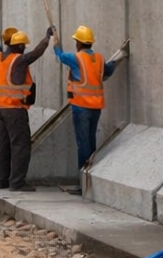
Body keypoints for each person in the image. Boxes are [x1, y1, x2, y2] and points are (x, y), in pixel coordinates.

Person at [54, 25, 128, 175]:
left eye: (76, 41)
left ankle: (83, 177)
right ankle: (90, 173)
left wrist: (55, 43)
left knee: (83, 142)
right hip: (96, 107)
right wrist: (120, 55)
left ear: (79, 43)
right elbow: (108, 70)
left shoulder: (75, 58)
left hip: (81, 107)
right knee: (90, 139)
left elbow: (60, 56)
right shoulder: (99, 58)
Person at [0, 26, 53, 191]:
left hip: (1, 109)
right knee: (20, 145)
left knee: (4, 145)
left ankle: (1, 181)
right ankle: (17, 182)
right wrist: (47, 38)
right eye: (23, 45)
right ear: (18, 46)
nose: (25, 48)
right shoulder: (18, 60)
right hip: (15, 109)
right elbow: (36, 53)